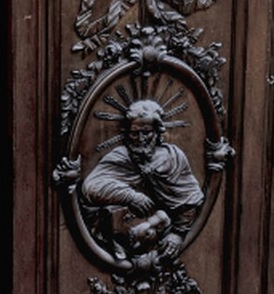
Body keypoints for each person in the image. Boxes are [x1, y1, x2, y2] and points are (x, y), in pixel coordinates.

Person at [80, 99, 204, 267]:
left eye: (147, 132)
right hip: (122, 237)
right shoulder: (121, 157)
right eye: (134, 133)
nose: (140, 139)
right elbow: (91, 187)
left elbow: (190, 200)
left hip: (162, 235)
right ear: (127, 133)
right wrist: (131, 197)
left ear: (157, 132)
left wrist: (178, 234)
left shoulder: (173, 159)